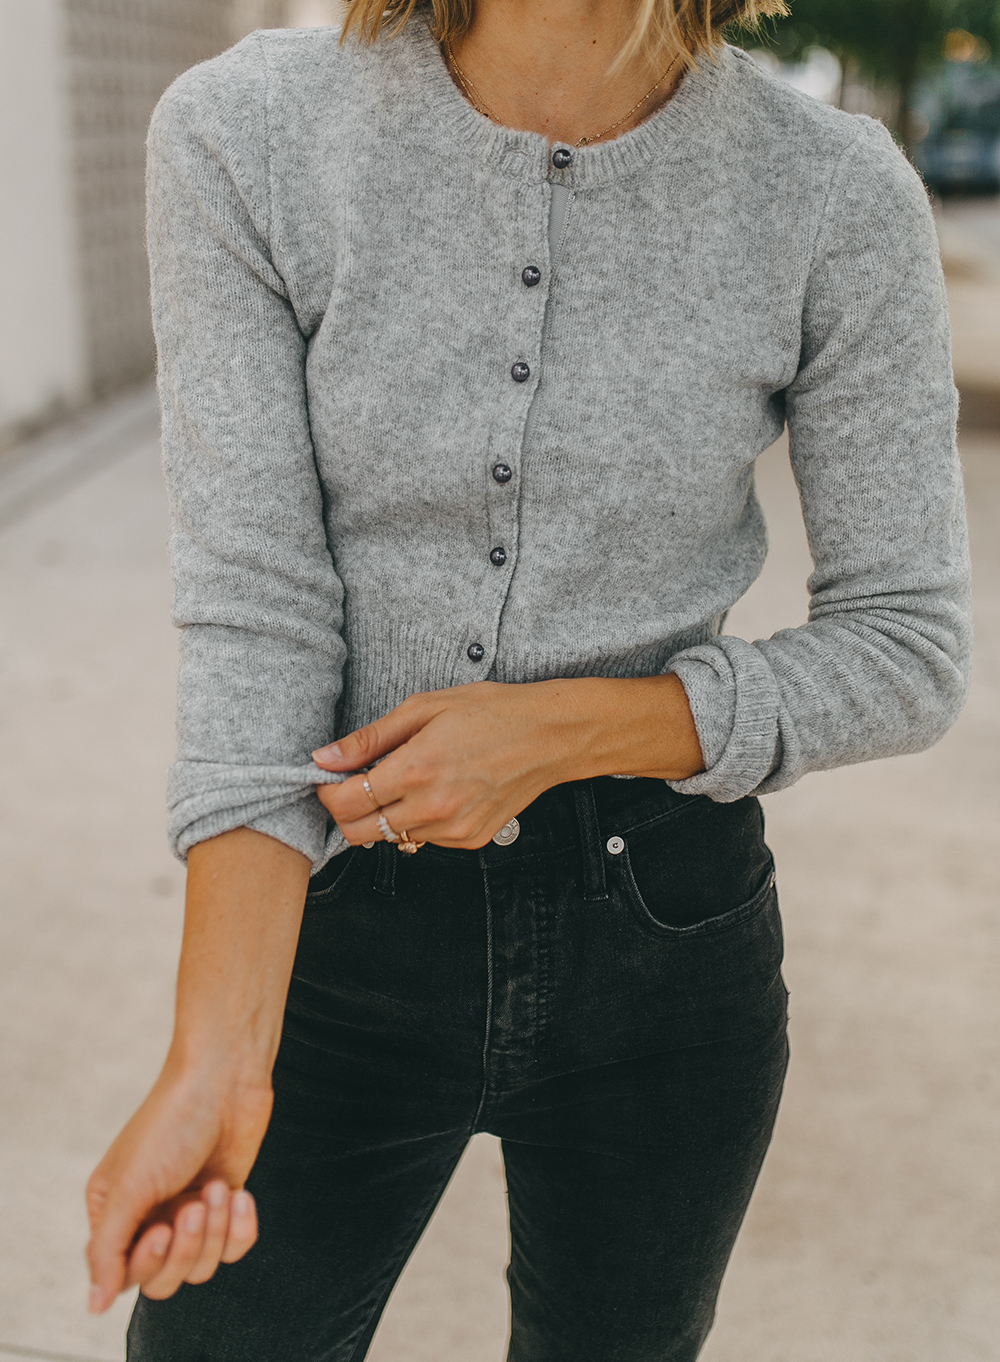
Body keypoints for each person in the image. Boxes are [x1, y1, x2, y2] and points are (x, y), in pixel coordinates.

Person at [85, 1, 972, 1357]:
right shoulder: (251, 134)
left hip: (666, 947)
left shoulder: (833, 197)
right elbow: (257, 615)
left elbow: (907, 644)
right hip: (332, 920)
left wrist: (563, 729)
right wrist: (216, 1056)